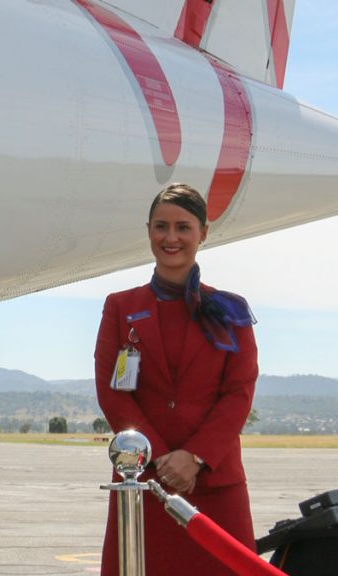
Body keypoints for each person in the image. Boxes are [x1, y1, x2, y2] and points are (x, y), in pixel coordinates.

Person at [94, 183, 258, 575]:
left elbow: (238, 394)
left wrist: (195, 457)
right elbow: (112, 393)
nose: (171, 238)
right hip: (144, 483)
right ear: (148, 230)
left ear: (203, 233)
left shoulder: (229, 311)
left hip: (214, 486)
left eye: (183, 227)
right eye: (161, 226)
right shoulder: (121, 307)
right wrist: (161, 460)